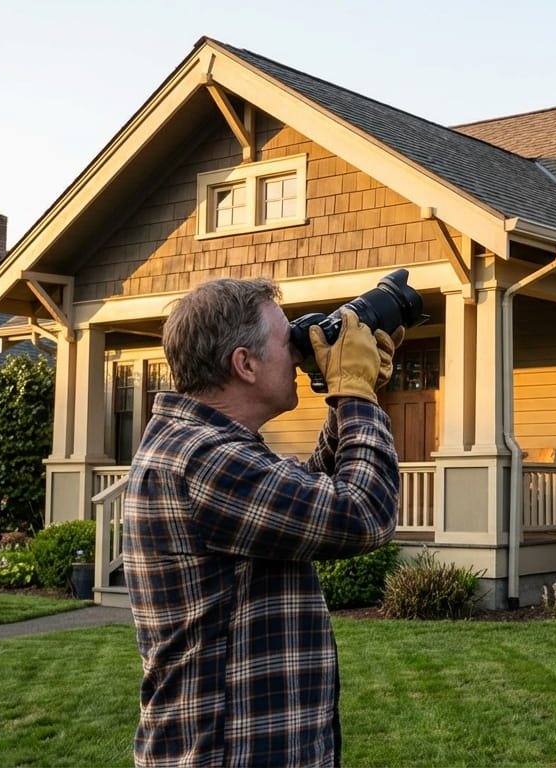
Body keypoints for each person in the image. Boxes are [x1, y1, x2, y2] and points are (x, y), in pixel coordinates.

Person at [123, 277, 402, 767]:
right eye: (284, 341)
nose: (297, 354)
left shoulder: (209, 447)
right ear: (244, 363)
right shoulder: (203, 459)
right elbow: (362, 513)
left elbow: (305, 503)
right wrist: (356, 397)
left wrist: (347, 401)